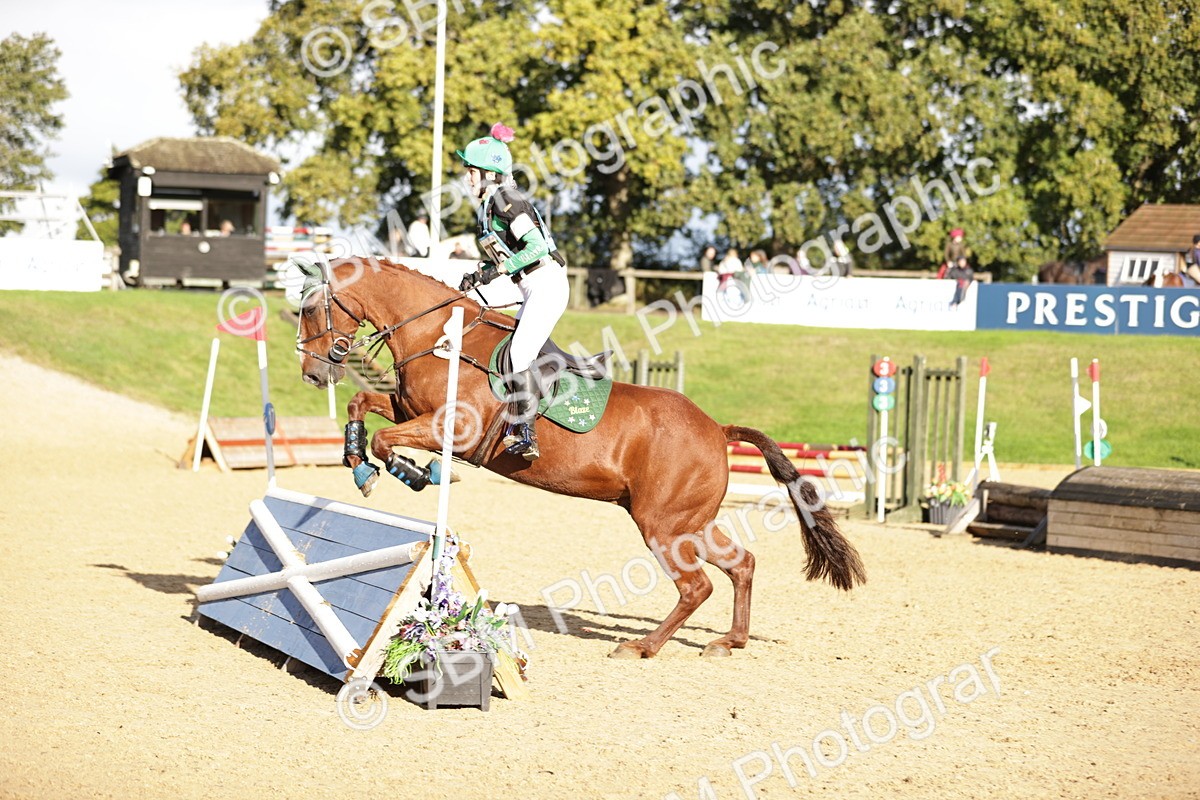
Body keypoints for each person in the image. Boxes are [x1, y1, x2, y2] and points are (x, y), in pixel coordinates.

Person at [456, 123, 568, 462]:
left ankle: (526, 433)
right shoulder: (492, 205)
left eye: (471, 172)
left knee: (518, 356)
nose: (467, 179)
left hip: (545, 283)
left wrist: (496, 271)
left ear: (490, 174)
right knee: (504, 350)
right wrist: (480, 273)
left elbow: (535, 248)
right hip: (533, 285)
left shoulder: (506, 201)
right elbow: (505, 255)